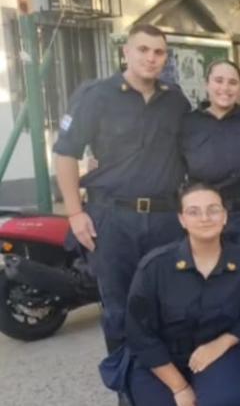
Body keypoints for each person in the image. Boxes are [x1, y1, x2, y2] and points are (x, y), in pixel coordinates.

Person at [54, 24, 191, 359]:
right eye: (142, 49)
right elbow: (65, 154)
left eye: (158, 52)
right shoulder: (97, 96)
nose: (151, 58)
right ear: (126, 52)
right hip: (112, 219)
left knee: (168, 305)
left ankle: (165, 385)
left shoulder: (175, 100)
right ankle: (127, 389)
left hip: (164, 220)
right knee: (118, 308)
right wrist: (75, 213)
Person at [126, 183, 240, 406]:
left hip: (220, 355)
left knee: (226, 400)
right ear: (182, 220)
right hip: (162, 359)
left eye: (213, 209)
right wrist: (179, 387)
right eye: (194, 211)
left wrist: (223, 342)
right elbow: (140, 334)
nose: (205, 218)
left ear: (224, 216)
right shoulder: (154, 268)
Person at [181, 60, 240, 294]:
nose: (225, 88)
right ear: (207, 84)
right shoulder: (188, 124)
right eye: (219, 81)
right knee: (213, 280)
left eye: (233, 82)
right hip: (208, 217)